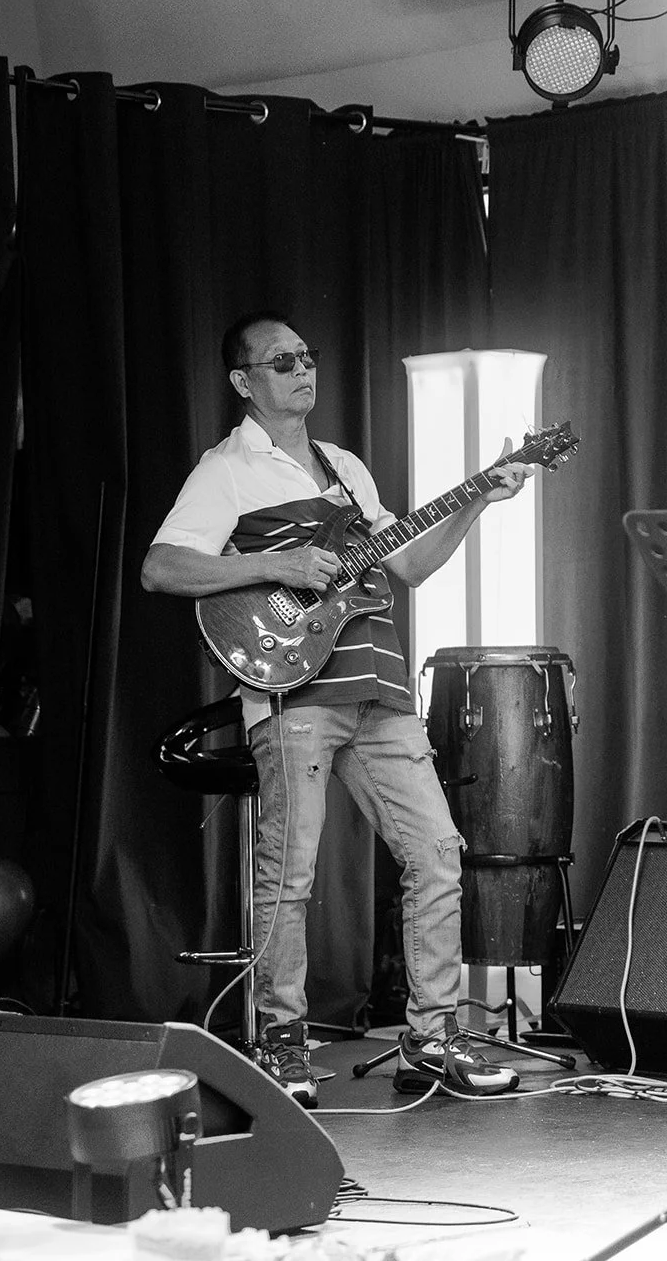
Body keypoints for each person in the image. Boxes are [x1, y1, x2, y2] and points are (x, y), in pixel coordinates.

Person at [142, 310, 531, 1108]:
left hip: (380, 689)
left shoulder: (346, 467)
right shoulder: (227, 470)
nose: (303, 370)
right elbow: (161, 567)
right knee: (289, 876)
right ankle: (281, 1041)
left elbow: (415, 562)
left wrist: (478, 499)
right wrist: (280, 558)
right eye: (282, 362)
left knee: (437, 854)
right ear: (244, 384)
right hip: (297, 695)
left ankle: (429, 1037)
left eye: (308, 357)